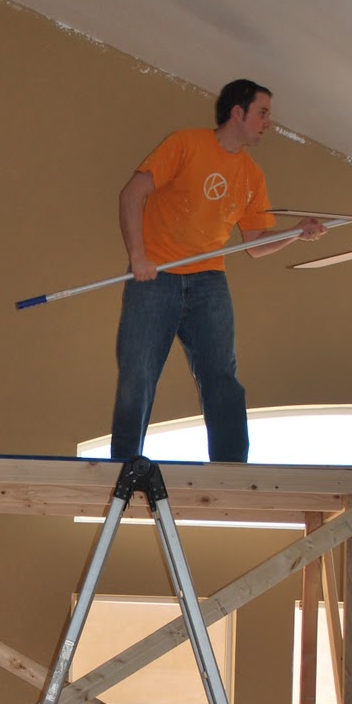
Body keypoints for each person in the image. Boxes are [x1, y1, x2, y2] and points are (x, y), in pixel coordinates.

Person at [110, 79, 325, 464]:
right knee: (137, 376)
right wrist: (139, 257)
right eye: (262, 113)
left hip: (209, 281)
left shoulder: (251, 175)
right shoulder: (185, 144)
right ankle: (124, 466)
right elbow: (132, 194)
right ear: (237, 112)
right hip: (155, 277)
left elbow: (256, 244)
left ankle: (231, 469)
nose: (268, 123)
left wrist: (295, 233)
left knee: (222, 378)